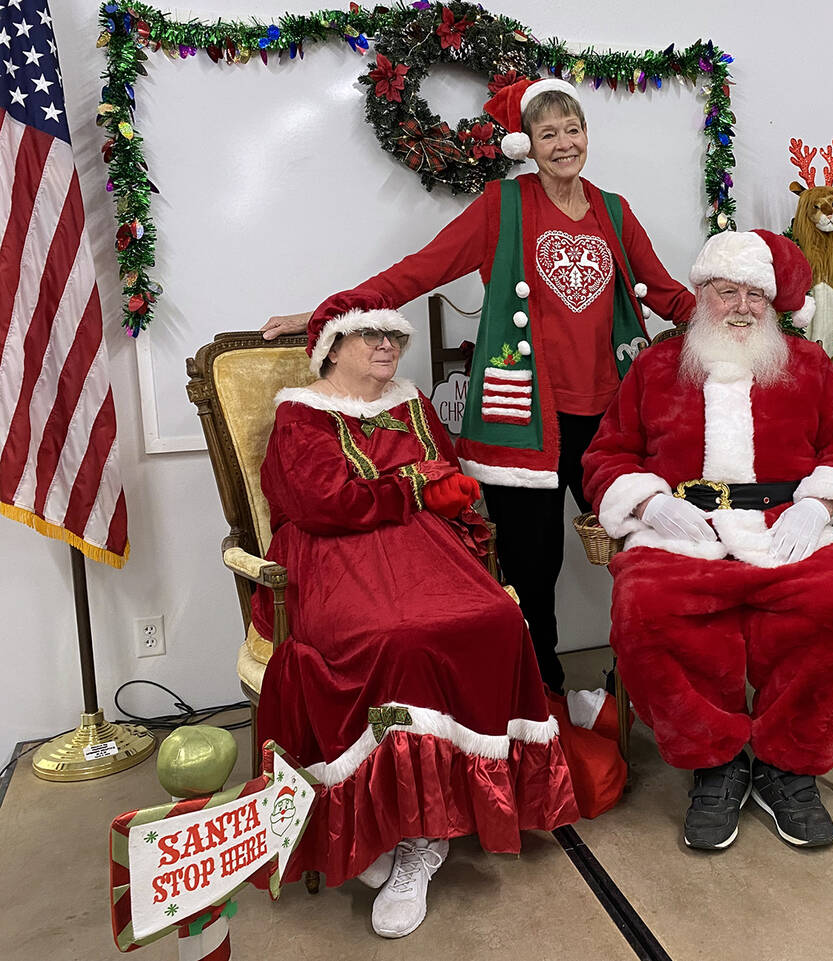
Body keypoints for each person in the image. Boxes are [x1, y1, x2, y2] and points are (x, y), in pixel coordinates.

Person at [262, 77, 694, 694]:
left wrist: (734, 313)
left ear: (587, 136)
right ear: (529, 145)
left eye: (573, 130)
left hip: (609, 421)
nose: (564, 143)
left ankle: (640, 683)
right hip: (523, 420)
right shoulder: (503, 207)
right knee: (533, 564)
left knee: (642, 545)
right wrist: (332, 312)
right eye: (549, 134)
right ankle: (541, 692)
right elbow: (423, 267)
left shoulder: (615, 212)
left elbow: (664, 291)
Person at [251, 306, 578, 939]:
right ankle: (402, 828)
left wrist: (437, 491)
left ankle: (433, 829)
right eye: (370, 335)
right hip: (333, 554)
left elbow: (447, 471)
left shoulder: (413, 403)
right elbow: (323, 502)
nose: (387, 345)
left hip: (424, 547)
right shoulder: (303, 414)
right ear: (331, 348)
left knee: (492, 618)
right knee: (393, 637)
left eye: (394, 336)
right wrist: (414, 487)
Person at [581, 230, 833, 851]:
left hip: (785, 528)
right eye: (727, 292)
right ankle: (715, 762)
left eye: (754, 295)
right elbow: (607, 453)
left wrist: (819, 503)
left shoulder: (809, 366)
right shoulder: (657, 367)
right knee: (645, 612)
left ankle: (787, 766)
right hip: (680, 533)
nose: (741, 306)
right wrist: (650, 502)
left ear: (771, 305)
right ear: (701, 295)